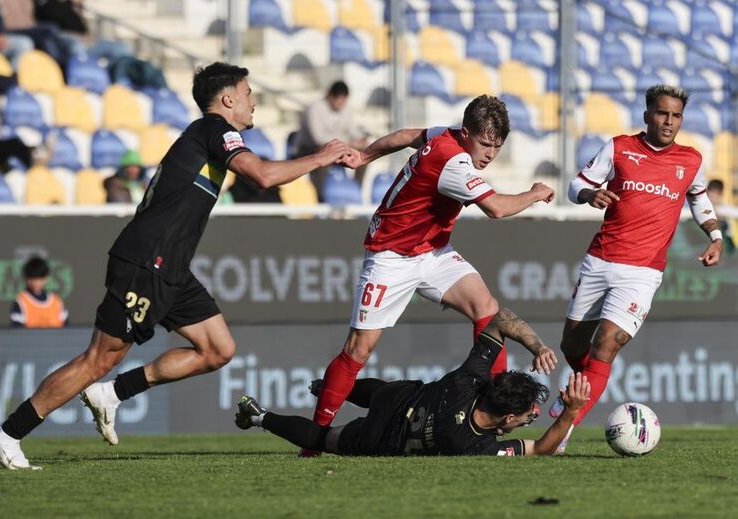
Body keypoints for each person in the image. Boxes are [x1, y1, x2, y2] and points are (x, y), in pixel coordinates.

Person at [0, 61, 356, 470]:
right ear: (228, 99)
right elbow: (263, 176)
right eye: (249, 94)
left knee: (217, 349)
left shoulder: (207, 135)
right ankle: (7, 435)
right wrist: (321, 157)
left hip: (170, 266)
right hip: (147, 261)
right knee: (98, 360)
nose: (254, 103)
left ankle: (112, 394)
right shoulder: (216, 129)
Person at [303, 95, 555, 456]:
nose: (489, 154)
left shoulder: (445, 135)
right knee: (358, 350)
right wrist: (533, 193)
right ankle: (313, 438)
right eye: (484, 144)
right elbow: (497, 209)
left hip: (432, 251)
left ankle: (490, 406)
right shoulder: (453, 163)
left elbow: (406, 135)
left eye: (497, 147)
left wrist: (365, 156)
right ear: (466, 134)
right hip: (391, 256)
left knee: (487, 309)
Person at [550, 84, 723, 453]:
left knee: (606, 343)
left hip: (643, 272)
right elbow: (575, 184)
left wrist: (715, 235)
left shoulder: (690, 159)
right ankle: (582, 386)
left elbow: (698, 197)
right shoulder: (619, 147)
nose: (669, 122)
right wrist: (589, 194)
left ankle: (563, 427)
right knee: (572, 343)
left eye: (676, 116)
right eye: (662, 113)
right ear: (647, 115)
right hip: (600, 260)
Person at [236, 308, 585, 457]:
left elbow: (501, 319)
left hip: (399, 399)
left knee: (383, 392)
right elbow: (540, 449)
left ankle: (326, 387)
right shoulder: (472, 446)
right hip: (382, 439)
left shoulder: (470, 380)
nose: (530, 417)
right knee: (323, 439)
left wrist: (537, 346)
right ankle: (259, 417)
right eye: (528, 416)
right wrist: (570, 412)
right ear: (508, 419)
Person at [293, 80, 368, 199]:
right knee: (324, 155)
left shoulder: (346, 108)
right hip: (308, 149)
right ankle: (321, 198)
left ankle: (356, 192)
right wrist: (347, 142)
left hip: (335, 148)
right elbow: (318, 138)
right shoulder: (315, 109)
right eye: (338, 99)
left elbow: (352, 130)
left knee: (363, 154)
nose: (341, 103)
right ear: (330, 95)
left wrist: (361, 139)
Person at [10, 256, 68, 328]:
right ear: (26, 279)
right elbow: (17, 332)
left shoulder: (56, 301)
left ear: (46, 278)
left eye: (39, 278)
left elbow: (66, 330)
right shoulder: (21, 301)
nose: (36, 282)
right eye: (32, 278)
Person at [705, 179, 735, 254]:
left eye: (716, 193)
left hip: (726, 246)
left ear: (720, 194)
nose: (713, 196)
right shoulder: (700, 208)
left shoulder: (726, 209)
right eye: (711, 192)